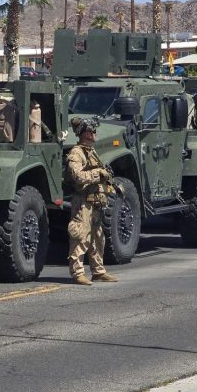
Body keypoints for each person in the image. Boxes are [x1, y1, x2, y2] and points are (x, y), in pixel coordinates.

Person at [66, 117, 119, 286]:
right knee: (80, 236)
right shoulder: (77, 153)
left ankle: (98, 271)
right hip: (83, 202)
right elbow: (77, 176)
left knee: (97, 238)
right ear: (87, 133)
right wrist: (98, 174)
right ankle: (78, 273)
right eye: (93, 131)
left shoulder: (91, 151)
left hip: (96, 202)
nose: (95, 134)